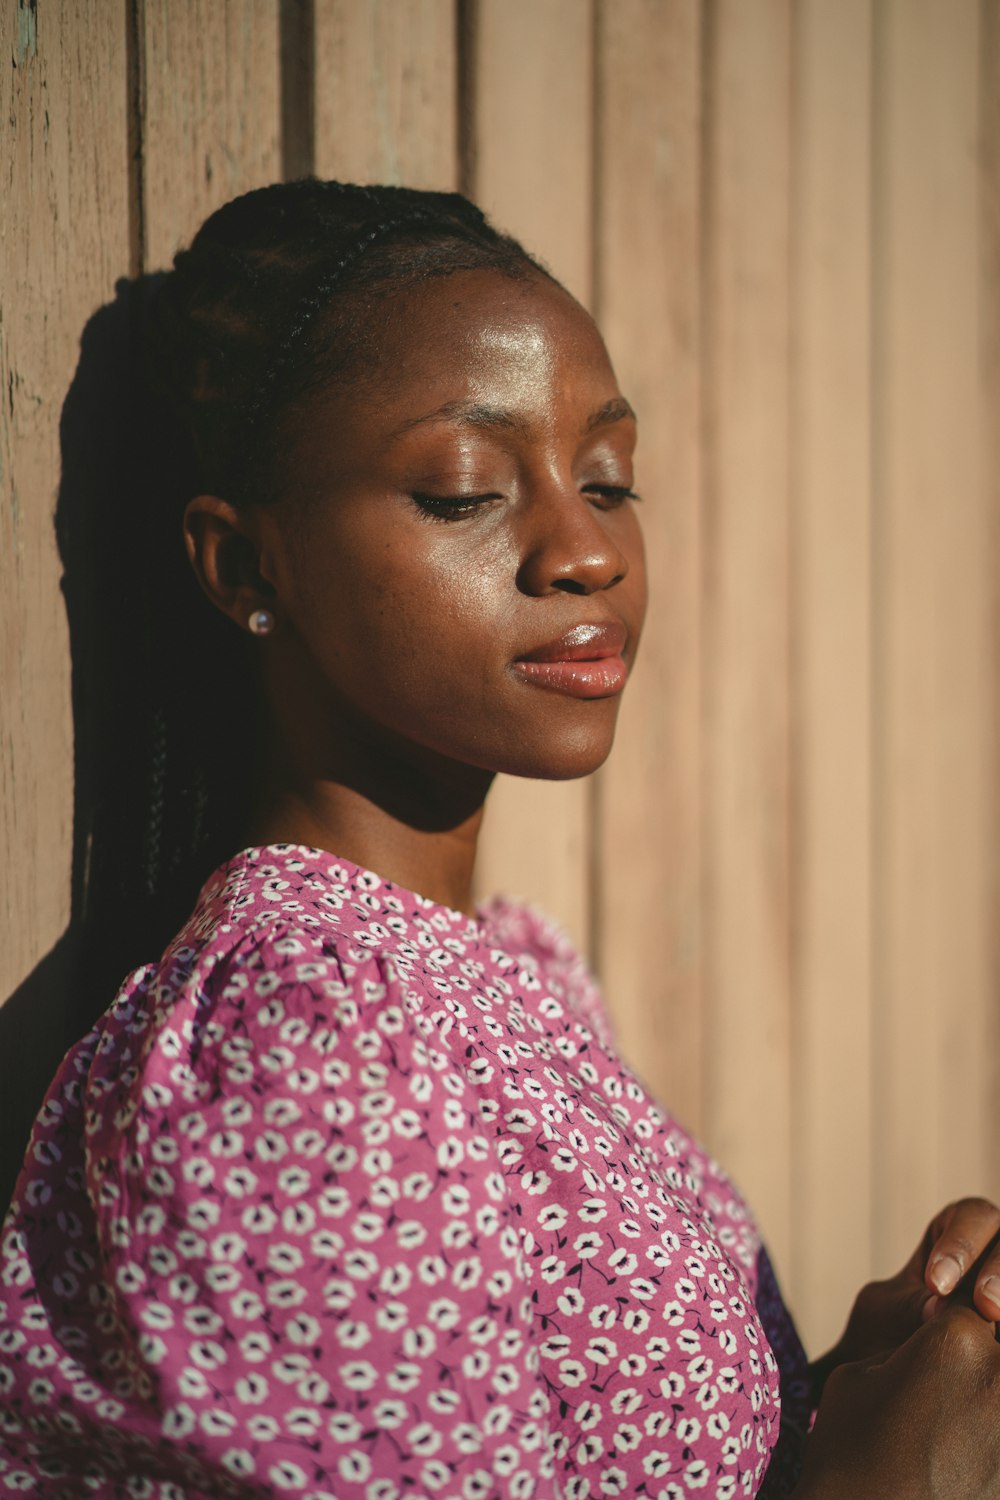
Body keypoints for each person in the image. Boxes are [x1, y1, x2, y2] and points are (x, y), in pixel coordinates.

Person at [0, 180, 998, 1500]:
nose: (583, 548)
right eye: (466, 490)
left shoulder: (493, 973)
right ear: (248, 571)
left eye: (606, 477)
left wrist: (843, 1398)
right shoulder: (305, 1043)